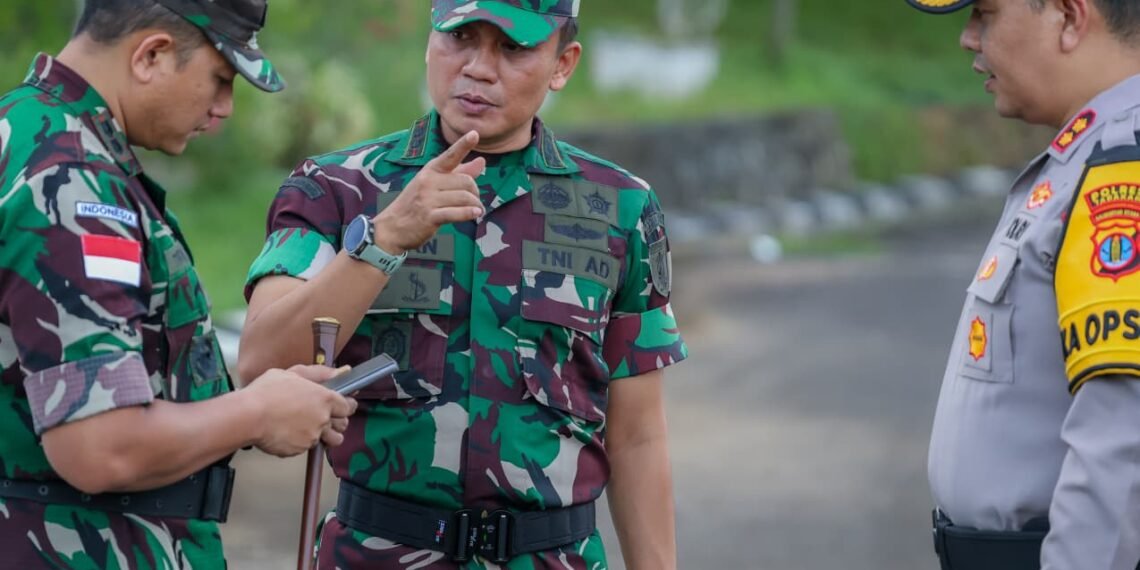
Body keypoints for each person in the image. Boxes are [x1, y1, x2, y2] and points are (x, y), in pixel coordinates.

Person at [238, 1, 689, 568]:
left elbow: (638, 437)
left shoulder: (620, 208)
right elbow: (259, 363)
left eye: (513, 48)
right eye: (460, 38)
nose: (478, 67)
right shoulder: (334, 188)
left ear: (563, 63)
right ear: (431, 41)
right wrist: (384, 240)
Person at [0, 1, 357, 567]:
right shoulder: (72, 183)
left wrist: (255, 401)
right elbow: (99, 445)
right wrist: (257, 413)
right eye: (220, 79)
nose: (224, 109)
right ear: (152, 55)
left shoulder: (21, 129)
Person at [907, 0, 1140, 568]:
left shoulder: (1121, 167)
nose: (968, 39)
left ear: (1066, 16)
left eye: (984, 13)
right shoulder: (1085, 154)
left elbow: (1124, 440)